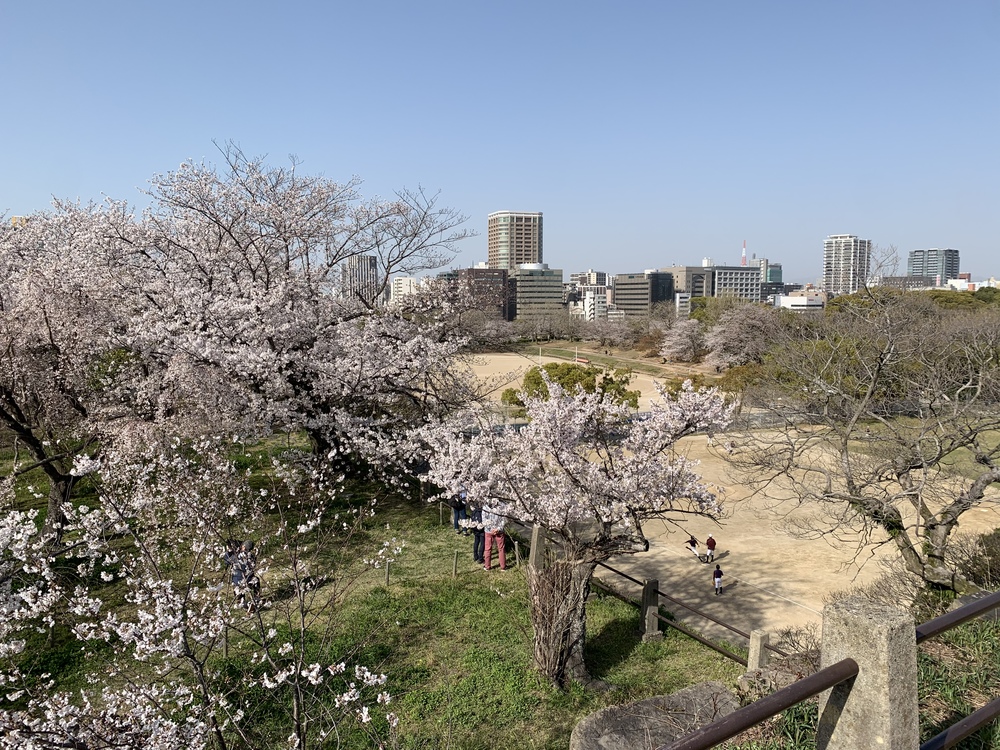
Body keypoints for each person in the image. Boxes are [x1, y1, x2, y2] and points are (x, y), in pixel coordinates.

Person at [482, 506, 506, 571]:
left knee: (488, 548)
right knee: (501, 548)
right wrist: (498, 529)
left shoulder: (485, 507)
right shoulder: (501, 505)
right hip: (499, 531)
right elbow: (503, 520)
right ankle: (503, 566)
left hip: (488, 531)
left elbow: (484, 520)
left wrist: (491, 528)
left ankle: (487, 566)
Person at [466, 500, 486, 565]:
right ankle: (480, 558)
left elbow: (471, 519)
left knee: (476, 542)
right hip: (482, 530)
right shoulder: (483, 512)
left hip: (475, 529)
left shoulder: (474, 511)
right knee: (482, 543)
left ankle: (475, 556)